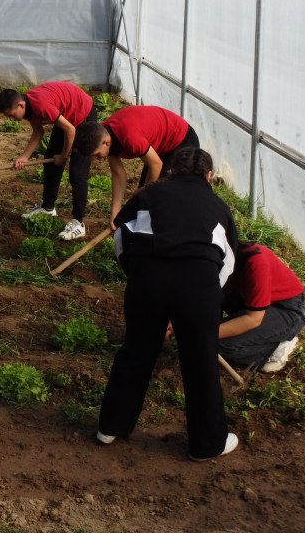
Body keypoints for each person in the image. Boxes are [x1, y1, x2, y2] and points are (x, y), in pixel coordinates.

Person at [96, 147, 240, 461]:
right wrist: (210, 299)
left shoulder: (148, 196)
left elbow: (121, 239)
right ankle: (206, 445)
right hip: (198, 286)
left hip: (148, 280)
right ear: (209, 176)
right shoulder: (218, 207)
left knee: (136, 350)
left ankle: (111, 427)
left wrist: (137, 275)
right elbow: (228, 264)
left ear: (171, 171)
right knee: (200, 360)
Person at [0, 82, 97, 241]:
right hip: (66, 115)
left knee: (77, 173)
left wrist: (63, 156)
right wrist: (24, 157)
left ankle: (79, 222)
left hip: (83, 115)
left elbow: (71, 130)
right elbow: (38, 131)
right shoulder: (29, 107)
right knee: (50, 161)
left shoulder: (40, 105)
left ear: (21, 105)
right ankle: (48, 207)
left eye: (11, 114)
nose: (11, 119)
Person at [72, 105, 199, 230]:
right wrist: (115, 214)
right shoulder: (102, 133)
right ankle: (143, 234)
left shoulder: (130, 138)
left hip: (181, 140)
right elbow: (118, 175)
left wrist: (145, 192)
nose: (95, 160)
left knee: (163, 194)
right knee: (143, 200)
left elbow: (156, 165)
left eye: (96, 154)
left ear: (106, 142)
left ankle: (178, 231)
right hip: (161, 148)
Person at [217, 242, 305, 372]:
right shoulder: (226, 260)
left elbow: (253, 319)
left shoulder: (256, 262)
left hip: (286, 309)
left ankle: (275, 349)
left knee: (218, 345)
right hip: (252, 302)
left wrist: (206, 334)